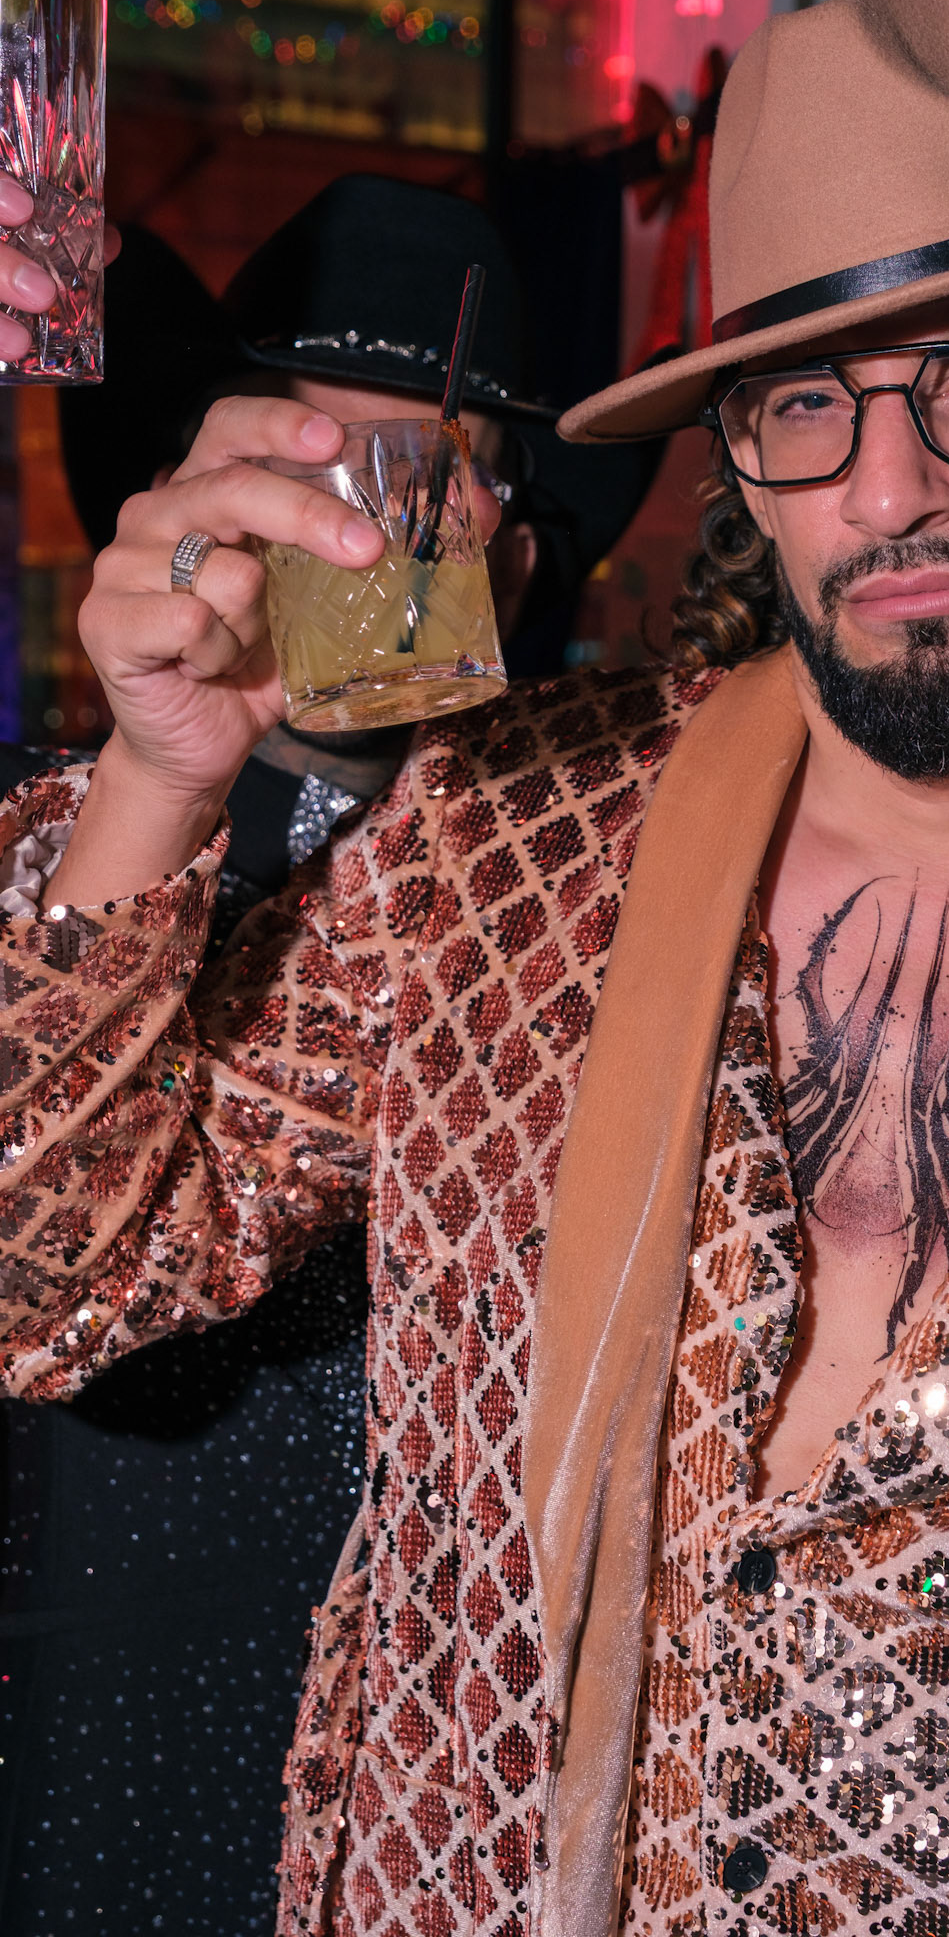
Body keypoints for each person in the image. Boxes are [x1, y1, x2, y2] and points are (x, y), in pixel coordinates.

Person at [0, 0, 949, 1937]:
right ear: (738, 460)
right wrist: (157, 776)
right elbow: (47, 1287)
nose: (888, 493)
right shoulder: (494, 855)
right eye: (805, 404)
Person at [0, 181, 658, 1935]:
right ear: (188, 510)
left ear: (520, 562)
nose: (354, 537)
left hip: (467, 1764)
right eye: (293, 475)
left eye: (421, 482)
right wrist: (159, 778)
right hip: (91, 1712)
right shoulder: (50, 848)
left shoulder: (614, 870)